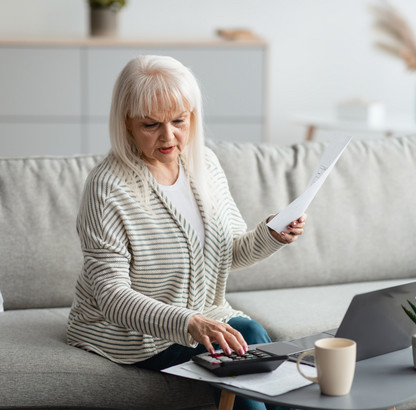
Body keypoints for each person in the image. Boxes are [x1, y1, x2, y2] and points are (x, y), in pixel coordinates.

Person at [67, 55, 306, 410]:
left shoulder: (203, 163)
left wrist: (272, 232)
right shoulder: (108, 187)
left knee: (256, 342)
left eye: (179, 121)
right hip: (133, 332)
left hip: (203, 315)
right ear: (127, 123)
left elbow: (230, 252)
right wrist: (189, 322)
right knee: (243, 359)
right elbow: (111, 296)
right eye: (150, 125)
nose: (169, 137)